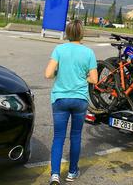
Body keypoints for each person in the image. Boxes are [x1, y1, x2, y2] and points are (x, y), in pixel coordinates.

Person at [45, 20, 98, 184]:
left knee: (58, 137)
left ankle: (55, 174)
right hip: (79, 100)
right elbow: (94, 79)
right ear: (82, 33)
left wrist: (58, 74)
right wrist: (83, 78)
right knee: (75, 136)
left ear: (67, 33)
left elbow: (48, 74)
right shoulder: (88, 52)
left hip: (60, 99)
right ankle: (72, 172)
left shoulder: (59, 49)